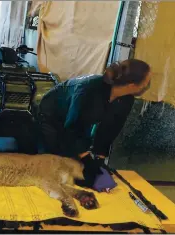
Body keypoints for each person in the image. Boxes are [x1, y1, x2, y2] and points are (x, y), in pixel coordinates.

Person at [38, 59, 151, 188]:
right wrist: (86, 159)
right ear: (132, 85)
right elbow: (72, 127)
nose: (147, 85)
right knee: (54, 163)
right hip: (52, 116)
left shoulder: (126, 100)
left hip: (80, 123)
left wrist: (100, 159)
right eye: (146, 82)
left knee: (81, 169)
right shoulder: (89, 88)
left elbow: (110, 129)